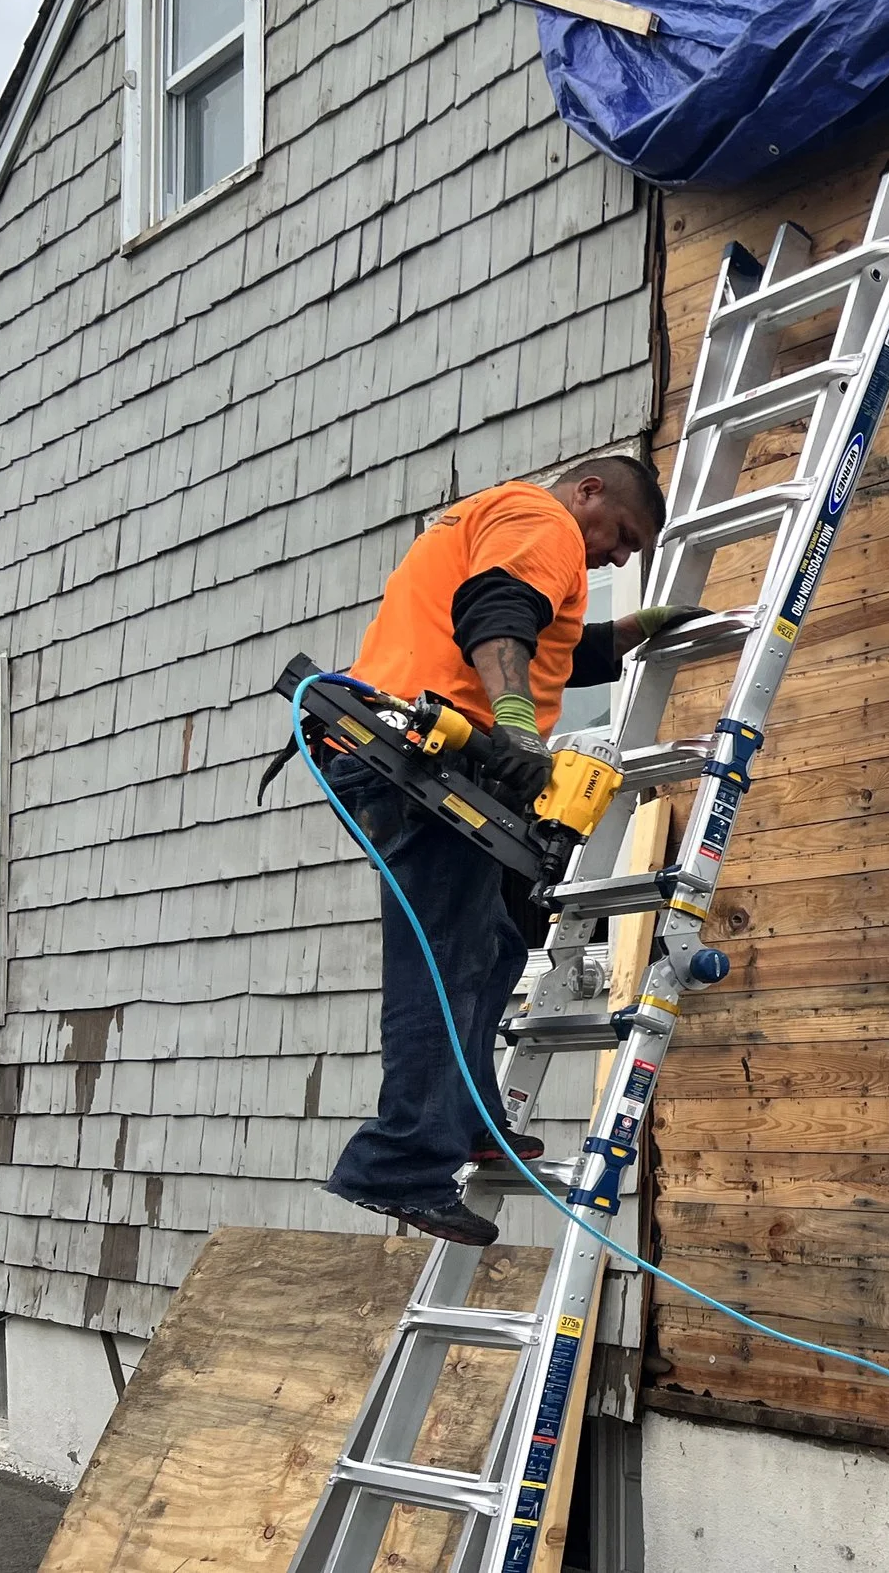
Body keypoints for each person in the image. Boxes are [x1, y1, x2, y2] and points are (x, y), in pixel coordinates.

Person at [320, 456, 699, 1245]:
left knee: (490, 947)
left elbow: (553, 644)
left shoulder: (504, 525)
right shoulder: (543, 520)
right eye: (622, 535)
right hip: (429, 762)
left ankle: (467, 1120)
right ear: (588, 492)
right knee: (446, 961)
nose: (620, 557)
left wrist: (639, 629)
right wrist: (519, 729)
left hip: (405, 755)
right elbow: (498, 616)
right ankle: (398, 1163)